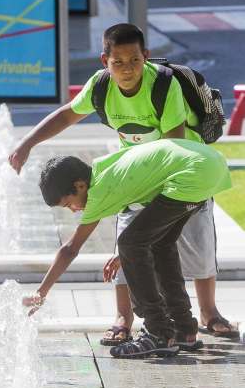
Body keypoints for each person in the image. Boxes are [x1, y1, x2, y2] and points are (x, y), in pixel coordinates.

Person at [9, 23, 238, 342]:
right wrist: (26, 144)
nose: (127, 69)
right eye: (118, 62)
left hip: (183, 171)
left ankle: (165, 329)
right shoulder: (101, 95)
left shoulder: (163, 86)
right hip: (172, 172)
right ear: (105, 61)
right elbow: (65, 115)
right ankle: (177, 328)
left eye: (134, 61)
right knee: (149, 243)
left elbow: (70, 248)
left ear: (146, 56)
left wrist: (41, 293)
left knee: (133, 244)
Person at [22, 139, 233, 358]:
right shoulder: (106, 168)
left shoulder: (98, 193)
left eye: (69, 204)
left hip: (192, 172)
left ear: (80, 186)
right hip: (208, 162)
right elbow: (153, 215)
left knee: (128, 242)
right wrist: (129, 250)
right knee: (159, 242)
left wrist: (41, 293)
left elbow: (70, 249)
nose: (74, 210)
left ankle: (158, 331)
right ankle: (182, 327)